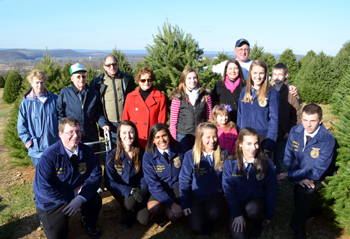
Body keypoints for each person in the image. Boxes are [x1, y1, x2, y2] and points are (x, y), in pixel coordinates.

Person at [33, 117, 102, 239]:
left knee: (95, 200)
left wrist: (81, 197)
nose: (75, 136)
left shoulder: (87, 151)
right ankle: (46, 219)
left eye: (78, 131)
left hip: (77, 193)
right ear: (60, 134)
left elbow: (95, 176)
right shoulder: (49, 156)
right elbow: (43, 188)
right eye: (70, 132)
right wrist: (72, 196)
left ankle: (88, 223)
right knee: (57, 236)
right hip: (52, 201)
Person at [277, 104, 336, 239]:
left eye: (313, 121)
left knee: (305, 191)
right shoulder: (295, 131)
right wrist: (298, 178)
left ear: (320, 120)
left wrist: (288, 175)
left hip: (321, 176)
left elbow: (317, 172)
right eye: (305, 120)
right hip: (301, 174)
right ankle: (310, 211)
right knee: (301, 188)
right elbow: (288, 157)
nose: (308, 125)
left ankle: (297, 228)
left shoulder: (327, 139)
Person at [223, 127, 277, 239]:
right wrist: (237, 214)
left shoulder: (267, 163)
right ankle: (241, 217)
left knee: (252, 209)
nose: (254, 148)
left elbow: (271, 190)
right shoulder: (230, 162)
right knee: (239, 237)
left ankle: (258, 225)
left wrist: (269, 215)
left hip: (256, 203)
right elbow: (229, 190)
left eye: (256, 143)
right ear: (240, 144)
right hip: (237, 203)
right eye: (249, 144)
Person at [179, 122, 229, 235]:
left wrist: (227, 191)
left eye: (214, 136)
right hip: (196, 197)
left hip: (215, 195)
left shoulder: (224, 154)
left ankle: (212, 215)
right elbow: (184, 180)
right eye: (208, 137)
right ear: (200, 138)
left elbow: (229, 176)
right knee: (197, 229)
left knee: (214, 214)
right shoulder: (190, 156)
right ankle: (199, 216)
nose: (212, 140)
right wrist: (185, 204)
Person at [104, 120, 149, 229]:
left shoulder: (142, 153)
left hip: (138, 187)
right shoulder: (112, 156)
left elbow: (145, 175)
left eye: (131, 132)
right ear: (119, 135)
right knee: (129, 202)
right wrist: (130, 191)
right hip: (121, 190)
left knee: (144, 220)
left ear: (135, 134)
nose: (128, 136)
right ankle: (126, 214)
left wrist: (143, 189)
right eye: (124, 133)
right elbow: (109, 182)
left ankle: (137, 206)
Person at [56, 63, 110, 150]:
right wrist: (64, 130)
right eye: (78, 77)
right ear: (72, 78)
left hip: (91, 134)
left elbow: (98, 112)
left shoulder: (93, 92)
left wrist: (104, 124)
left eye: (83, 76)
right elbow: (60, 113)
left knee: (92, 159)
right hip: (73, 135)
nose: (81, 79)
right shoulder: (65, 93)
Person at [142, 123, 187, 226]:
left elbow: (186, 174)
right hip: (160, 188)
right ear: (153, 140)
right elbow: (153, 184)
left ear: (169, 135)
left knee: (174, 217)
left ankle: (168, 212)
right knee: (154, 208)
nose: (161, 140)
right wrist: (171, 204)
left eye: (164, 135)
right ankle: (163, 213)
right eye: (157, 137)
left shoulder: (180, 148)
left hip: (177, 186)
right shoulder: (148, 156)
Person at [90, 55, 135, 146]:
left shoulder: (127, 79)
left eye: (114, 64)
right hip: (110, 126)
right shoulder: (97, 82)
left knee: (129, 150)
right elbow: (96, 106)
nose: (112, 67)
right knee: (112, 153)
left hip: (126, 123)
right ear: (104, 67)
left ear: (118, 64)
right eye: (108, 65)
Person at [237, 59, 280, 154]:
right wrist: (240, 137)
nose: (258, 76)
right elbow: (240, 115)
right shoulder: (244, 91)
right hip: (245, 137)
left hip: (262, 139)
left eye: (261, 73)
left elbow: (274, 119)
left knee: (261, 167)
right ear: (250, 74)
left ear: (266, 74)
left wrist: (269, 143)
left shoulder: (272, 93)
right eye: (255, 73)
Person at [17, 69, 59, 168]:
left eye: (42, 82)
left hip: (55, 146)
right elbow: (21, 126)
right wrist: (30, 143)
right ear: (31, 83)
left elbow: (62, 119)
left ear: (45, 82)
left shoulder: (54, 99)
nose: (39, 85)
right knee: (42, 178)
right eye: (37, 83)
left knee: (58, 176)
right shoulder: (26, 103)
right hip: (37, 150)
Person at [122, 66, 167, 148]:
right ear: (138, 81)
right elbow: (125, 120)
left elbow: (161, 122)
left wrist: (158, 138)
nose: (146, 82)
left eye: (149, 80)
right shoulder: (130, 97)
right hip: (135, 138)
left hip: (151, 138)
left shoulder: (160, 97)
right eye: (143, 80)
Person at [169, 68, 212, 149]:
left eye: (194, 78)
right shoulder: (178, 97)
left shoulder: (205, 95)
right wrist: (173, 140)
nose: (192, 80)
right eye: (189, 78)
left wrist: (209, 135)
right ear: (184, 80)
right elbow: (173, 122)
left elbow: (209, 118)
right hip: (183, 136)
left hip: (200, 135)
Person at [270, 63, 301, 174]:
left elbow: (296, 115)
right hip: (268, 133)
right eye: (274, 74)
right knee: (266, 158)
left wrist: (289, 132)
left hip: (283, 135)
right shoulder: (268, 90)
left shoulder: (290, 93)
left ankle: (277, 179)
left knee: (278, 158)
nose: (277, 77)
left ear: (286, 75)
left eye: (280, 74)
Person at [211, 59, 246, 123]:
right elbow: (214, 106)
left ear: (239, 70)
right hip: (224, 123)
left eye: (235, 68)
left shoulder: (245, 86)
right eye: (230, 69)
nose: (233, 71)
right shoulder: (218, 86)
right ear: (226, 71)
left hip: (241, 122)